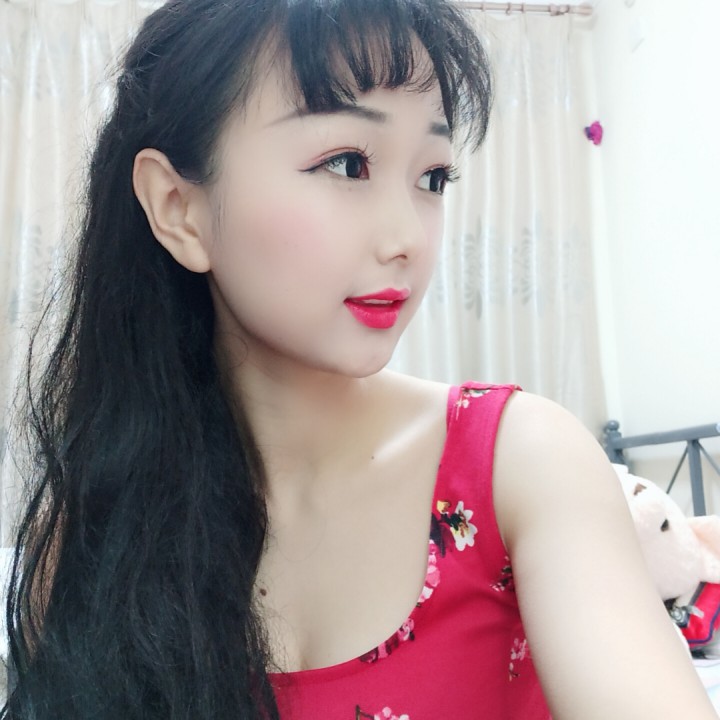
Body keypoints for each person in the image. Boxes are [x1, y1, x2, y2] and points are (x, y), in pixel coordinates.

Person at [2, 0, 717, 718]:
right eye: (347, 165)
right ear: (177, 208)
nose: (407, 238)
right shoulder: (89, 534)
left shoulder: (520, 463)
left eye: (432, 177)